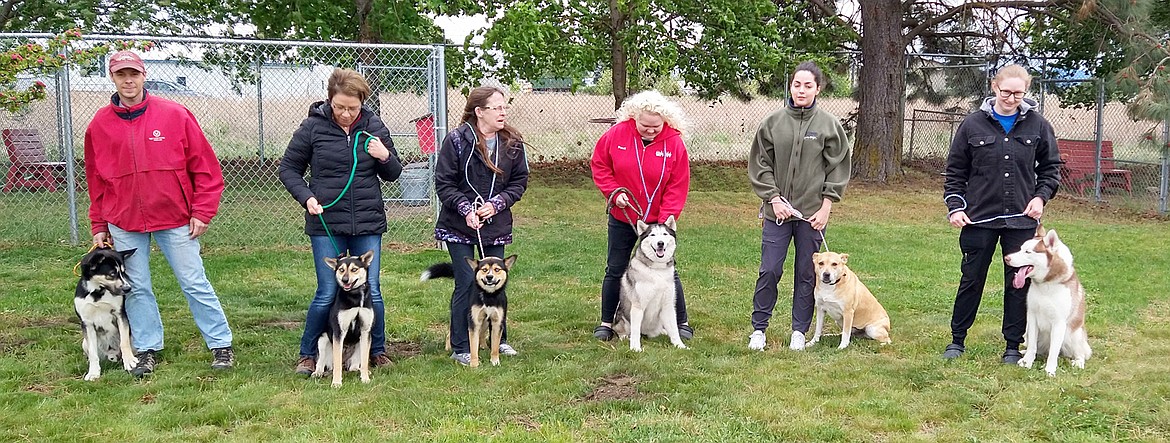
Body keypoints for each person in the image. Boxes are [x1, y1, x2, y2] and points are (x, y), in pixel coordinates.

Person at [84, 50, 235, 376]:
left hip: (175, 216)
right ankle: (148, 347)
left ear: (143, 76)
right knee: (135, 286)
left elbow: (205, 168)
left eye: (133, 74)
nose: (128, 80)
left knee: (194, 281)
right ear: (112, 77)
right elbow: (95, 179)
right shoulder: (100, 125)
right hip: (124, 220)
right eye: (121, 74)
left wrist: (203, 211)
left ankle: (220, 344)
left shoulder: (174, 114)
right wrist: (100, 222)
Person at [279, 68, 403, 375]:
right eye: (339, 107)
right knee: (327, 291)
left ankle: (376, 350)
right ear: (329, 100)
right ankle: (308, 354)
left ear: (362, 102)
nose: (346, 114)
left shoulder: (373, 126)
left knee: (371, 288)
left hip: (367, 221)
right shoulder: (313, 127)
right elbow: (288, 169)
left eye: (353, 107)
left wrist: (384, 155)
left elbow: (394, 173)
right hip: (326, 221)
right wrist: (306, 197)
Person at [941, 64, 1061, 363]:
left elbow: (1050, 169)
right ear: (994, 88)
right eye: (1006, 91)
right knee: (971, 279)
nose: (1011, 98)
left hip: (1021, 221)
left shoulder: (1038, 125)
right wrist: (955, 207)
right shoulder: (972, 125)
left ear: (1026, 92)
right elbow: (955, 172)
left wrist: (1040, 197)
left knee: (1018, 283)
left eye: (1018, 93)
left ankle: (1012, 345)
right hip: (979, 218)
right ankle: (957, 340)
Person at [747, 61, 851, 352]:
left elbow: (838, 168)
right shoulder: (772, 123)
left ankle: (798, 331)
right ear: (790, 87)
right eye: (796, 84)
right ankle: (759, 329)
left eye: (808, 85)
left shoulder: (829, 125)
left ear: (818, 89)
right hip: (776, 213)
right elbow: (760, 164)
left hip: (812, 215)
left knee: (808, 273)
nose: (801, 90)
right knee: (770, 269)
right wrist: (774, 198)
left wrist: (827, 206)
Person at [434, 86, 529, 366]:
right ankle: (462, 345)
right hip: (458, 222)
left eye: (504, 107)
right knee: (466, 283)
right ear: (479, 112)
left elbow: (519, 183)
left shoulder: (512, 142)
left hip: (495, 223)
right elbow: (444, 183)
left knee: (496, 281)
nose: (503, 112)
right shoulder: (456, 140)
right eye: (496, 108)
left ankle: (500, 341)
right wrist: (466, 209)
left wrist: (497, 204)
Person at [590, 89, 693, 342]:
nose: (650, 130)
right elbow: (600, 164)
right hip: (624, 215)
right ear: (634, 118)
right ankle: (607, 322)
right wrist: (613, 193)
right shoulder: (616, 134)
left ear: (665, 121)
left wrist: (665, 221)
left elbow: (678, 183)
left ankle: (681, 323)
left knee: (666, 266)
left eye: (655, 126)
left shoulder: (674, 143)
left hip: (657, 222)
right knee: (616, 268)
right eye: (644, 125)